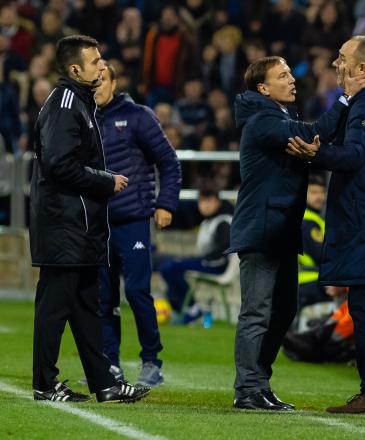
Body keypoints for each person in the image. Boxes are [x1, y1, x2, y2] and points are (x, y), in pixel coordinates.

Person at [227, 55, 365, 411]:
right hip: (263, 229)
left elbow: (308, 136)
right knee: (257, 312)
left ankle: (259, 383)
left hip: (280, 228)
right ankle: (247, 388)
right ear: (263, 88)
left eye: (291, 73)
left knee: (283, 310)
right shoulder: (263, 119)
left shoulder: (280, 116)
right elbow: (313, 134)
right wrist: (345, 98)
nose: (292, 79)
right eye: (283, 75)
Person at [287, 35, 365, 416]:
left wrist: (317, 154)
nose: (336, 65)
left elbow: (355, 155)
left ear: (363, 68)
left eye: (342, 59)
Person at [30, 35, 149, 403]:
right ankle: (45, 385)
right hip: (64, 224)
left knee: (85, 308)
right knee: (54, 307)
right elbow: (58, 163)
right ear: (74, 69)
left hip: (79, 225)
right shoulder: (66, 104)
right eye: (95, 61)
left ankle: (105, 384)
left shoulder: (81, 102)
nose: (103, 65)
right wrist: (105, 180)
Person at [94, 64, 182, 386]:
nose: (97, 85)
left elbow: (169, 162)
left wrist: (165, 204)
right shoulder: (83, 119)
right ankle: (110, 363)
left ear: (115, 83)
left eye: (103, 80)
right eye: (94, 80)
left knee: (136, 291)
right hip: (97, 223)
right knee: (103, 297)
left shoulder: (138, 116)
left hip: (132, 220)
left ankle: (151, 362)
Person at [159, 182, 233, 320]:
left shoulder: (224, 221)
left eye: (208, 201)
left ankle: (192, 308)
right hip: (207, 261)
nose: (204, 205)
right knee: (169, 266)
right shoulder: (209, 220)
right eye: (201, 201)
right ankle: (183, 308)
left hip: (217, 266)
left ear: (217, 201)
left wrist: (201, 261)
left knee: (170, 267)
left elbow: (223, 251)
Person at [297, 173, 330, 310]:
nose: (319, 197)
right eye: (314, 192)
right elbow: (321, 255)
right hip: (311, 281)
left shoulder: (313, 218)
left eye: (322, 192)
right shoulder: (308, 221)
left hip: (308, 280)